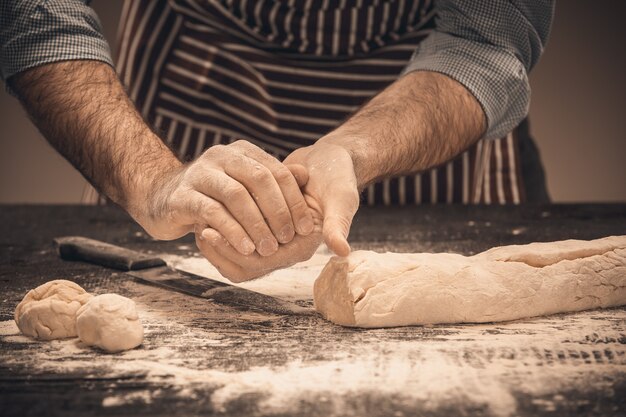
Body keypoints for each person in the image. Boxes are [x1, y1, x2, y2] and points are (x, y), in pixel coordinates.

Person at [1, 0, 554, 281]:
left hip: (422, 89)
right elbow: (37, 15)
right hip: (194, 69)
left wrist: (353, 149)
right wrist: (153, 180)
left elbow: (484, 38)